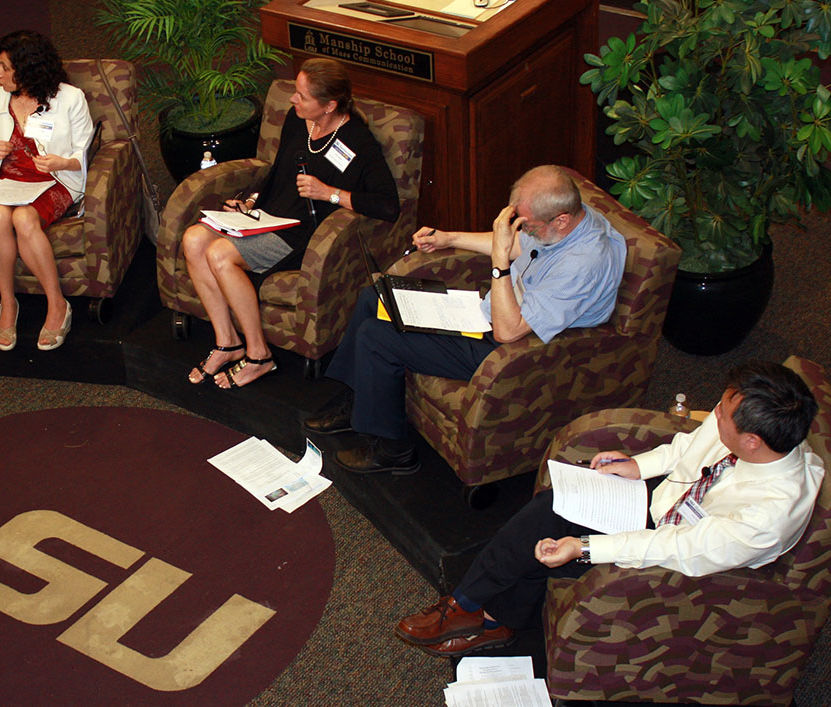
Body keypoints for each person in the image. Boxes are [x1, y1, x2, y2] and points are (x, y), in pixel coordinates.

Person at [394, 360, 824, 658]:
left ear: (752, 442)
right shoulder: (752, 428)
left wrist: (582, 548)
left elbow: (673, 548)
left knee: (547, 536)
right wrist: (638, 466)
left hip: (688, 564)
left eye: (723, 414)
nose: (712, 413)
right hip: (665, 506)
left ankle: (471, 609)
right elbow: (686, 449)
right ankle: (485, 615)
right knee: (552, 509)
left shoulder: (767, 515)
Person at [303, 165, 626, 473]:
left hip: (515, 349)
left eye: (525, 223)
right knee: (376, 296)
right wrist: (450, 238)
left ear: (561, 220)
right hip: (491, 314)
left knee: (377, 336)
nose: (521, 228)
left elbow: (507, 331)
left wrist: (499, 262)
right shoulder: (566, 222)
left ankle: (393, 450)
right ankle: (358, 398)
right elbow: (518, 243)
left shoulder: (582, 263)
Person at [181, 57, 399, 389]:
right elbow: (279, 171)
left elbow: (387, 204)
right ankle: (228, 342)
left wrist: (331, 193)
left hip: (301, 233)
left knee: (219, 255)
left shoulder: (358, 141)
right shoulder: (298, 121)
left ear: (329, 106)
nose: (293, 99)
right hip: (267, 216)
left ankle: (259, 355)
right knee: (193, 239)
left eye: (302, 95)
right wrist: (253, 200)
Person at [0, 30, 94, 351]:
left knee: (23, 219)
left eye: (5, 68)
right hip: (9, 181)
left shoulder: (69, 98)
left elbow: (84, 153)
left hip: (54, 180)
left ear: (29, 69)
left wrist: (61, 162)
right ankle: (7, 303)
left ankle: (57, 304)